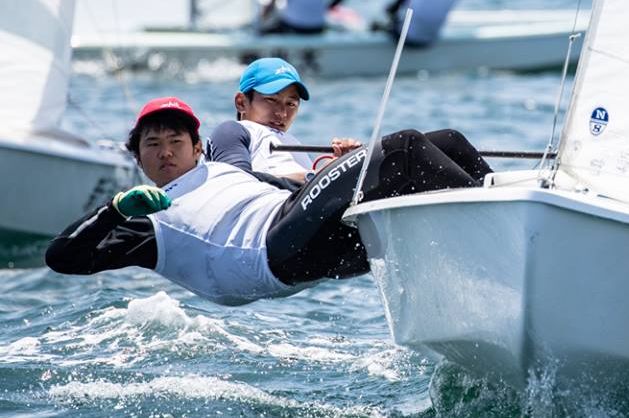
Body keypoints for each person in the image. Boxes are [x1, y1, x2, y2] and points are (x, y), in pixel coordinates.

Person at [45, 98, 492, 306]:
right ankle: (494, 240)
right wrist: (115, 210)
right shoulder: (145, 222)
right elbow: (61, 257)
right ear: (138, 157)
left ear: (197, 147)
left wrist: (343, 167)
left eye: (175, 141)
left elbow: (294, 189)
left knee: (446, 142)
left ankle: (504, 230)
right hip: (273, 250)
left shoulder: (223, 172)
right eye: (152, 144)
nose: (165, 152)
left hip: (310, 242)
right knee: (404, 147)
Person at [205, 57, 492, 188]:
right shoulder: (235, 130)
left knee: (449, 141)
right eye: (271, 100)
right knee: (406, 144)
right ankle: (480, 202)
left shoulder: (288, 141)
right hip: (280, 215)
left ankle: (492, 190)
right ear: (241, 102)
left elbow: (308, 178)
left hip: (314, 196)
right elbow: (235, 184)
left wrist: (337, 163)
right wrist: (319, 175)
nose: (282, 112)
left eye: (291, 104)